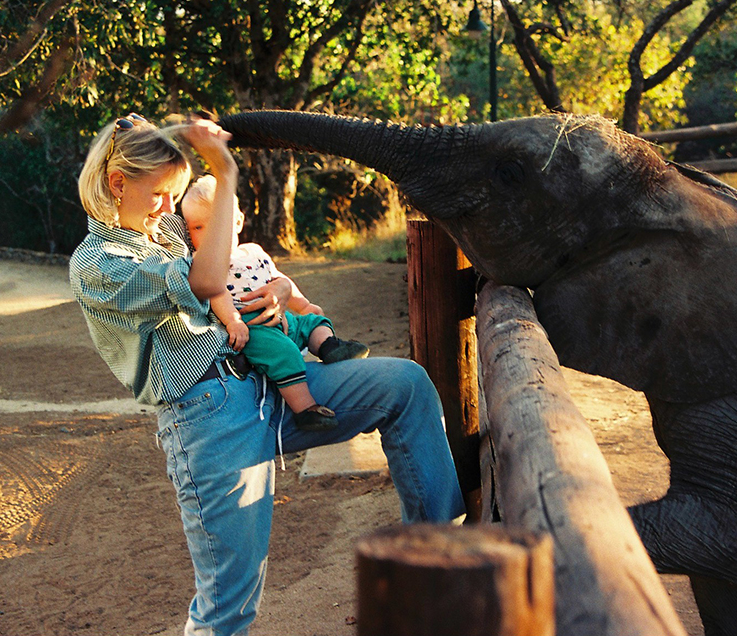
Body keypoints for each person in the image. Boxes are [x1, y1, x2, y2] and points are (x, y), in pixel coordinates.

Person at [69, 112, 465, 636]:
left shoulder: (156, 224)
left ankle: (433, 571)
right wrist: (227, 171)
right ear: (117, 184)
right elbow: (206, 276)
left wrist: (279, 288)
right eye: (161, 194)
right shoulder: (99, 263)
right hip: (209, 421)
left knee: (406, 386)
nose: (170, 208)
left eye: (174, 194)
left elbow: (231, 253)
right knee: (230, 603)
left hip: (271, 383)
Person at [180, 178, 369, 431]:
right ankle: (305, 409)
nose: (209, 235)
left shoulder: (254, 251)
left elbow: (280, 279)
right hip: (249, 324)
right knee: (283, 354)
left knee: (314, 322)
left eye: (216, 224)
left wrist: (303, 305)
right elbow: (217, 294)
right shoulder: (203, 262)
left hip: (281, 317)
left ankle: (329, 347)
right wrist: (233, 321)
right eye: (198, 227)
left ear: (238, 222)